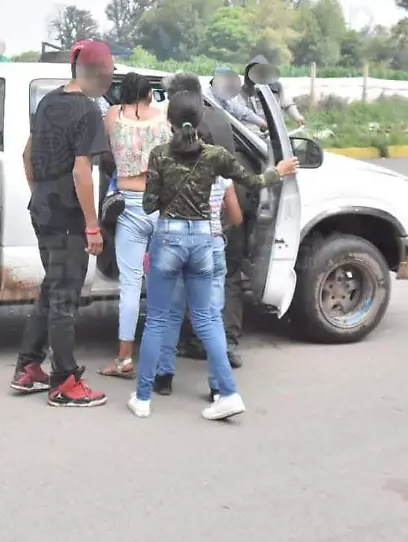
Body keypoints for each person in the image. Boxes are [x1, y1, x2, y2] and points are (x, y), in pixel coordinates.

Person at [127, 87, 299, 420]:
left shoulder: (160, 155)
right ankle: (228, 393)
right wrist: (280, 170)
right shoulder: (215, 155)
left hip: (169, 240)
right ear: (201, 117)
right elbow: (252, 181)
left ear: (170, 120)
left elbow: (149, 204)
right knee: (208, 319)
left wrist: (163, 197)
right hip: (205, 242)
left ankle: (144, 397)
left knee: (159, 320)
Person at [10, 39, 114, 408]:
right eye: (111, 68)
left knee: (52, 289)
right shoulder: (87, 110)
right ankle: (64, 382)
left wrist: (40, 192)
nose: (113, 74)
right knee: (65, 298)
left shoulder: (49, 101)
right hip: (69, 218)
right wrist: (91, 224)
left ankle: (29, 367)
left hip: (42, 211)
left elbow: (28, 153)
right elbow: (81, 169)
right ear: (99, 71)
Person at [161, 73, 248, 368]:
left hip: (187, 218)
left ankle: (172, 362)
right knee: (225, 280)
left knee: (182, 287)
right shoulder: (222, 117)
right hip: (220, 212)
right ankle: (225, 342)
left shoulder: (174, 125)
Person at [98, 72, 171, 379]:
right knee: (162, 284)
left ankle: (125, 358)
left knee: (129, 284)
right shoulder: (162, 118)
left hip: (129, 204)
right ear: (149, 94)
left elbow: (104, 149)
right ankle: (162, 358)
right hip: (161, 203)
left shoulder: (114, 115)